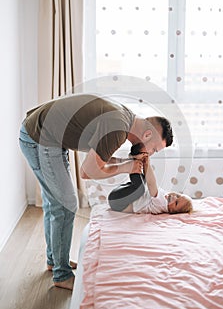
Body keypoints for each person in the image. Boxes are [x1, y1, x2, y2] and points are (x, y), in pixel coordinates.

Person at [19, 93, 173, 290]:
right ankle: (61, 274)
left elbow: (100, 156)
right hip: (40, 138)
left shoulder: (125, 120)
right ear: (148, 135)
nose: (150, 154)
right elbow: (87, 171)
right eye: (154, 150)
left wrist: (127, 164)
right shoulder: (118, 129)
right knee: (65, 204)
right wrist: (126, 167)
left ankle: (55, 261)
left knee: (55, 202)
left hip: (44, 135)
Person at [108, 143, 193, 215]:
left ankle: (134, 162)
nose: (174, 197)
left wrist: (148, 162)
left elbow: (151, 183)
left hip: (118, 203)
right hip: (118, 198)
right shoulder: (164, 197)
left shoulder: (162, 204)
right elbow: (148, 181)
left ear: (172, 212)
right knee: (143, 185)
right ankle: (136, 161)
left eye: (176, 203)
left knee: (140, 189)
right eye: (178, 196)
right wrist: (145, 164)